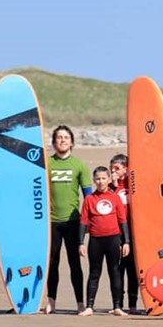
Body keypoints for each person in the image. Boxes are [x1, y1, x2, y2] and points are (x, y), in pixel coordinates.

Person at [46, 125, 92, 314]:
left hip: (73, 222)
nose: (62, 140)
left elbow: (89, 197)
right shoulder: (46, 164)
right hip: (51, 222)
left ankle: (80, 303)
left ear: (72, 142)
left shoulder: (79, 165)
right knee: (52, 262)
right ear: (54, 142)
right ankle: (51, 302)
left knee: (75, 263)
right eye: (59, 138)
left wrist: (88, 222)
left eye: (66, 137)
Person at [78, 166, 130, 317]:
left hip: (113, 239)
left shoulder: (115, 198)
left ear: (108, 180)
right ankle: (89, 306)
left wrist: (126, 241)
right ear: (94, 181)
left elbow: (123, 220)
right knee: (94, 273)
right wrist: (81, 242)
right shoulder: (89, 199)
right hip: (95, 240)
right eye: (98, 179)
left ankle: (117, 306)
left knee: (114, 272)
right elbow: (83, 221)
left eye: (103, 179)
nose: (100, 182)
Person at [109, 153, 137, 314]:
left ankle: (132, 304)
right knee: (118, 269)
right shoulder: (112, 187)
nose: (114, 171)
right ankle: (117, 304)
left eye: (117, 168)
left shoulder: (131, 183)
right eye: (112, 168)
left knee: (132, 269)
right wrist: (113, 184)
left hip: (132, 231)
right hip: (116, 232)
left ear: (125, 169)